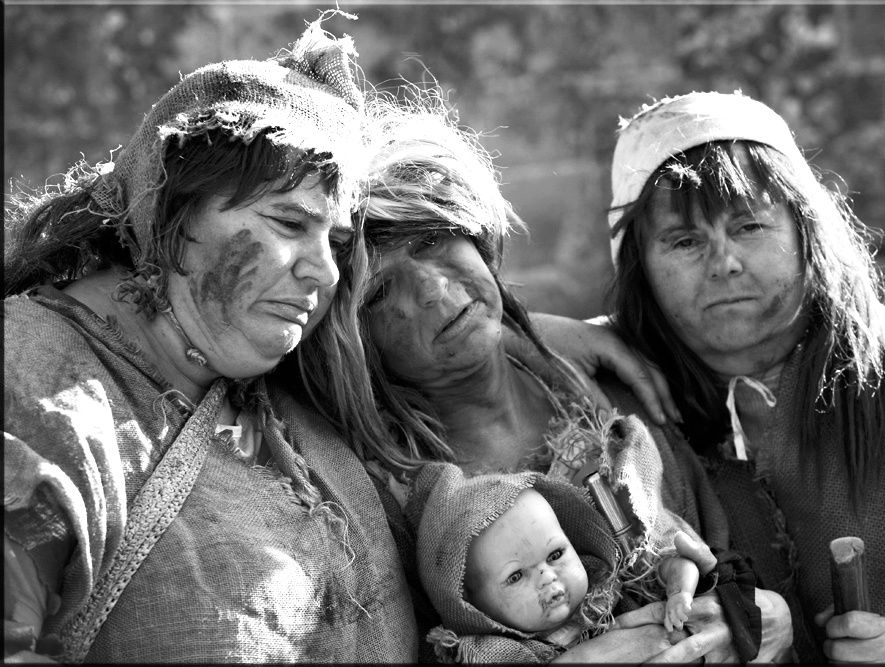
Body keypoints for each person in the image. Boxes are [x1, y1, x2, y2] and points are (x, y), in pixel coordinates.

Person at [300, 98, 794, 663]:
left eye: (432, 241)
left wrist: (760, 618)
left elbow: (734, 565)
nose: (434, 290)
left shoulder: (608, 385)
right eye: (381, 291)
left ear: (475, 232)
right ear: (347, 339)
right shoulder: (382, 499)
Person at [2, 19, 423, 662]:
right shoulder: (34, 377)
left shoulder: (281, 391)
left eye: (336, 242)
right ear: (172, 211)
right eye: (288, 220)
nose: (327, 270)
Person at [606, 90, 885, 663]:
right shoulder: (611, 410)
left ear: (804, 232)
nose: (725, 263)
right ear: (641, 265)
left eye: (749, 227)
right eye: (685, 241)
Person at [403, 462, 712, 662]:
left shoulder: (608, 579)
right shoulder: (492, 652)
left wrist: (680, 592)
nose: (548, 577)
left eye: (555, 555)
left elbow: (669, 564)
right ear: (472, 607)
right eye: (515, 577)